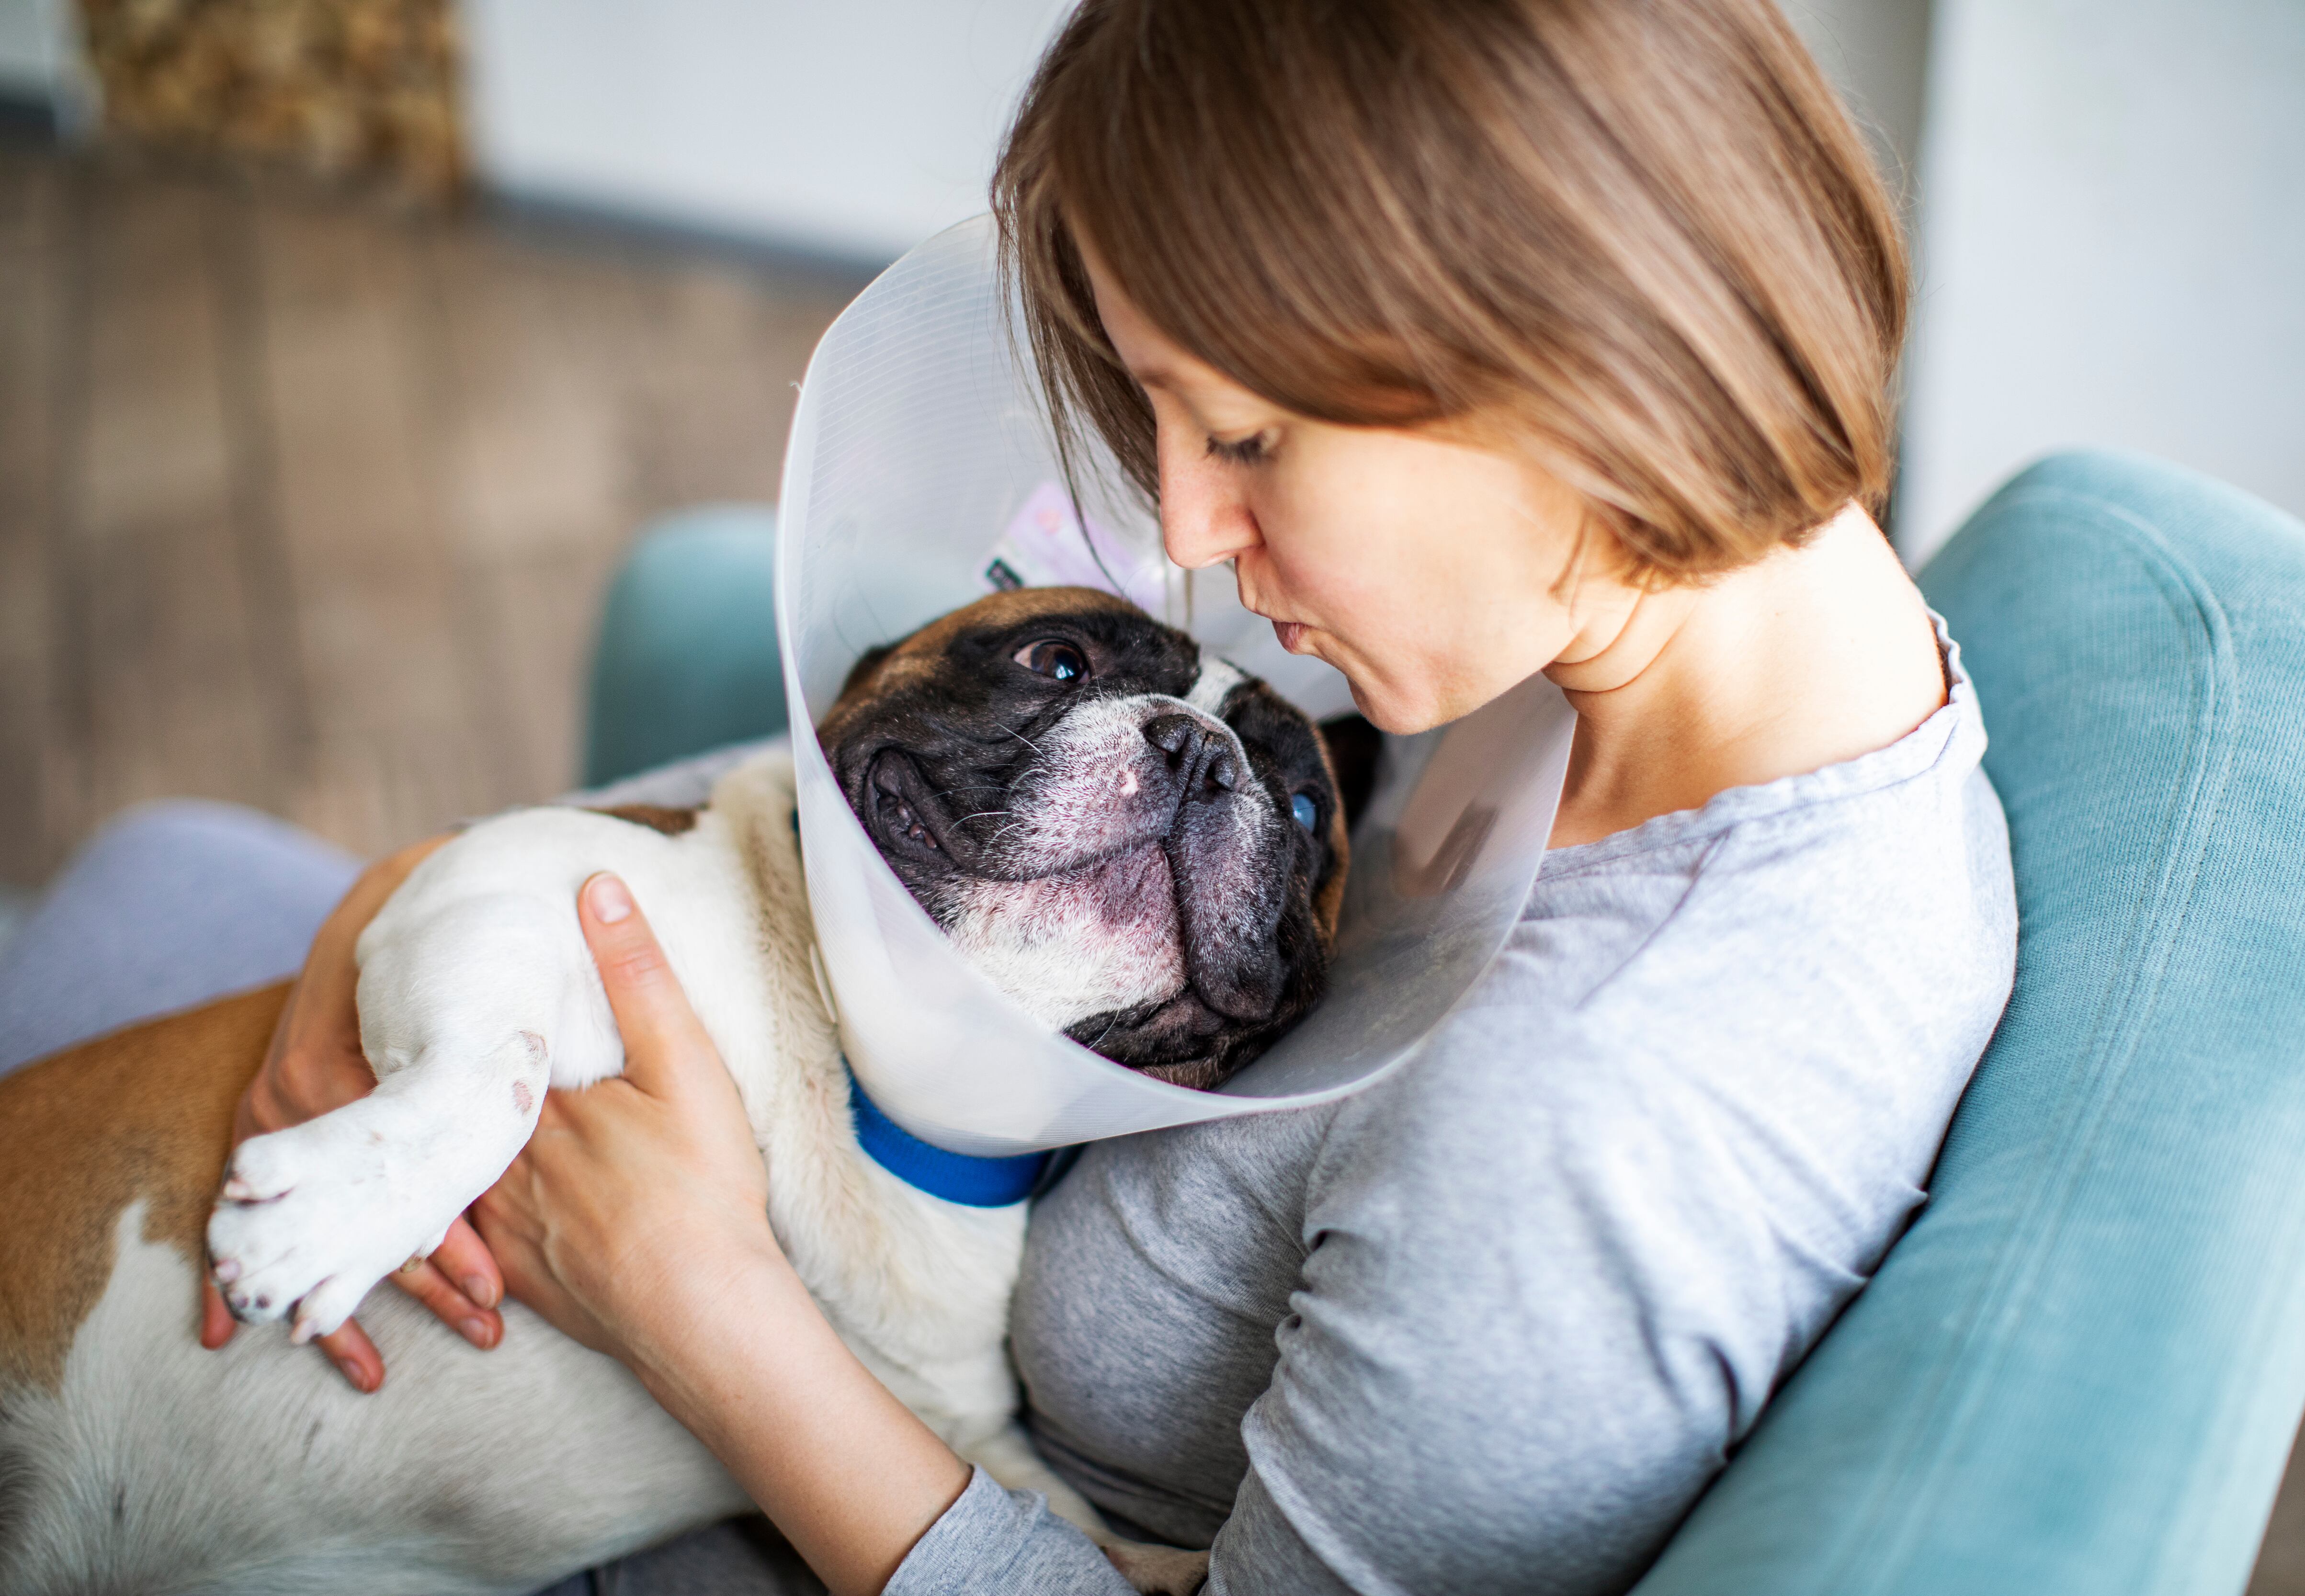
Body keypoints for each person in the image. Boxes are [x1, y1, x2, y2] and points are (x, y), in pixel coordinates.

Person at [0, 2, 2015, 1592]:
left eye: (1243, 435)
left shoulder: (1603, 1119)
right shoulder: (1556, 625)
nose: (1204, 544)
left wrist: (703, 1311)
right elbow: (893, 778)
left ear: (1582, 357)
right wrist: (423, 910)